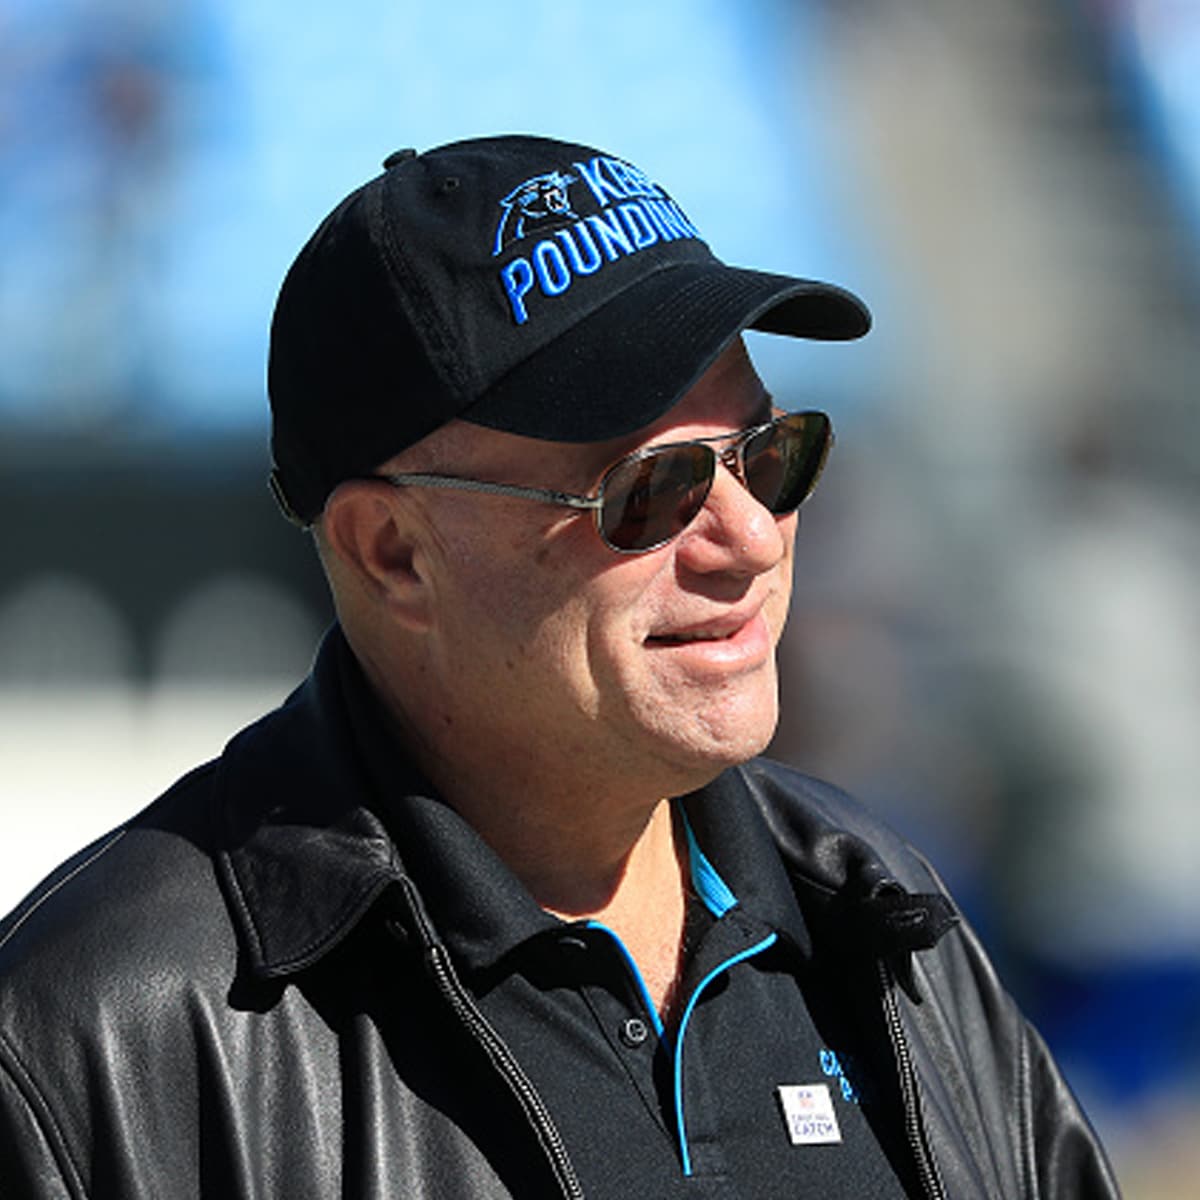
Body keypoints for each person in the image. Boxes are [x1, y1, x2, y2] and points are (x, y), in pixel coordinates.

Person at [0, 135, 1119, 1199]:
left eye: (770, 457)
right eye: (652, 489)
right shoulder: (103, 1033)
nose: (754, 537)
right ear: (392, 555)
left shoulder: (884, 918)